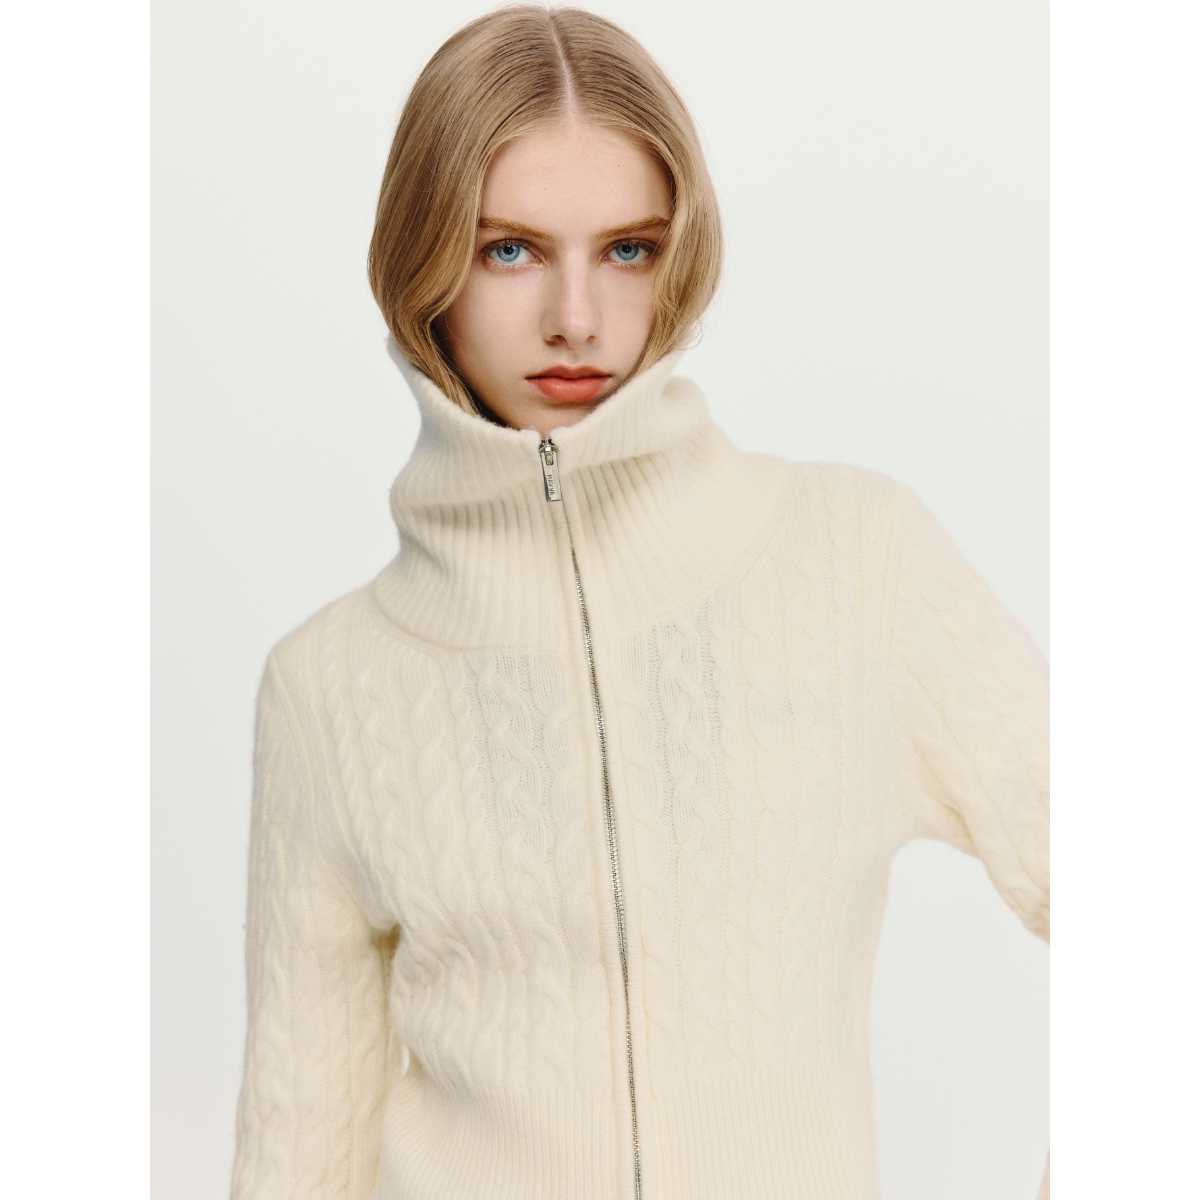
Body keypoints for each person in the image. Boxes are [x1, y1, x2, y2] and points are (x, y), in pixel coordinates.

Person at [230, 7, 1049, 1200]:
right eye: (509, 250)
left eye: (627, 249)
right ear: (422, 266)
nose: (577, 318)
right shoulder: (328, 686)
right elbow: (300, 1152)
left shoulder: (859, 562)